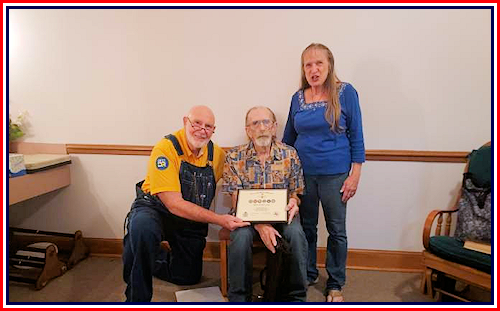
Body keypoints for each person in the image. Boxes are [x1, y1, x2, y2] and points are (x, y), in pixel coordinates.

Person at [122, 105, 250, 302]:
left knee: (188, 276)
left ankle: (145, 252)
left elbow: (238, 181)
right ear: (185, 122)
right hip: (156, 209)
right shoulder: (166, 148)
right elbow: (173, 204)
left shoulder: (217, 155)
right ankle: (136, 297)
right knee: (142, 229)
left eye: (208, 126)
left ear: (213, 130)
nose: (202, 130)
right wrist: (220, 220)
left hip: (189, 219)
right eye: (196, 123)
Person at [283, 43, 366, 302]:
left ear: (329, 65)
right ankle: (308, 273)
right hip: (303, 176)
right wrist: (284, 176)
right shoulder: (297, 98)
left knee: (336, 230)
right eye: (308, 64)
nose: (314, 69)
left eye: (319, 63)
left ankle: (335, 283)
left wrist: (354, 175)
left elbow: (357, 136)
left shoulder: (345, 92)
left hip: (336, 175)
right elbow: (288, 139)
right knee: (306, 227)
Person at [222, 106, 308, 302]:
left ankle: (297, 297)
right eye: (255, 123)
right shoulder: (234, 157)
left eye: (266, 122)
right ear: (248, 130)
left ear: (274, 127)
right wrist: (260, 224)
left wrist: (294, 201)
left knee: (296, 234)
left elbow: (296, 191)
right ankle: (238, 298)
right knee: (241, 237)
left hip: (283, 213)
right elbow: (235, 197)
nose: (261, 127)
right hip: (246, 217)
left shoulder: (290, 154)